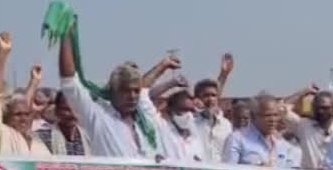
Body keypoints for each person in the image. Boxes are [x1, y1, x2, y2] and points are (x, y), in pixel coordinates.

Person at [58, 30, 176, 158]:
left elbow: (145, 87)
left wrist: (163, 66)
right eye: (125, 91)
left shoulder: (146, 120)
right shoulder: (98, 116)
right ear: (113, 91)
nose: (132, 96)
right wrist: (67, 32)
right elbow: (69, 81)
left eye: (136, 91)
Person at [0, 33, 52, 157]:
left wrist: (34, 82)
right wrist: (2, 54)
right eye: (18, 115)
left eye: (27, 115)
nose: (24, 118)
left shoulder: (39, 145)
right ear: (6, 116)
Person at [222, 95, 301, 168]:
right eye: (267, 115)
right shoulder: (236, 140)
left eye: (276, 115)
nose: (273, 120)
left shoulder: (283, 144)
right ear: (253, 116)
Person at [34, 91, 91, 155]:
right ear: (57, 111)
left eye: (76, 109)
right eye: (66, 109)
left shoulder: (89, 138)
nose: (72, 114)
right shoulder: (42, 137)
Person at [158, 89, 207, 162]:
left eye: (189, 110)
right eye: (182, 110)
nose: (186, 114)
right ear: (171, 111)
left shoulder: (198, 136)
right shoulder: (163, 133)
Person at [194, 78, 232, 162]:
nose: (210, 99)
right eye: (206, 95)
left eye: (213, 95)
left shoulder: (226, 125)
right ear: (197, 99)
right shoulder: (191, 123)